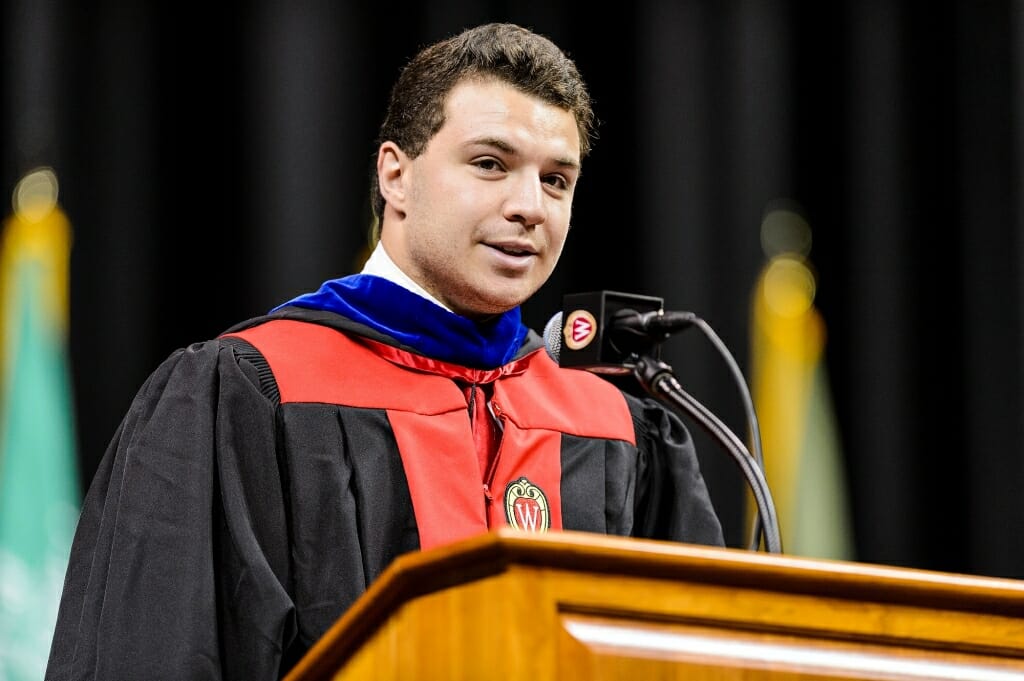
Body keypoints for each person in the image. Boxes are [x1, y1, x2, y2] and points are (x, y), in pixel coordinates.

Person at [45, 22, 724, 681]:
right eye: (491, 164)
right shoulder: (251, 393)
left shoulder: (619, 429)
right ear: (395, 176)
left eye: (556, 180)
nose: (530, 206)